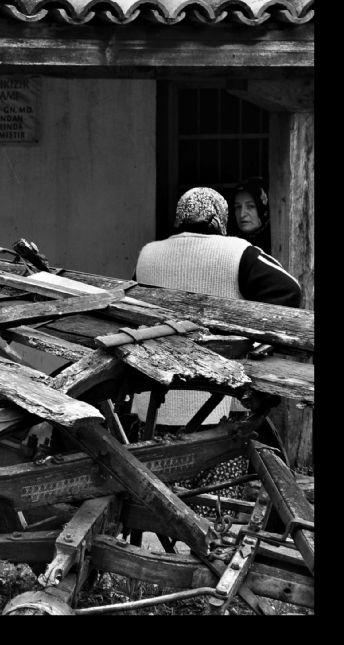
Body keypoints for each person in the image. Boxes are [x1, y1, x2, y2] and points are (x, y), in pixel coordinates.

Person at [130, 186, 301, 516]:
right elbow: (288, 291)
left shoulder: (148, 254)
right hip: (213, 403)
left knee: (159, 499)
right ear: (220, 218)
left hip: (153, 401)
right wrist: (253, 338)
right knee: (212, 507)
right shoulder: (237, 252)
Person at [230, 177, 272, 254]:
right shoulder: (229, 245)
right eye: (238, 207)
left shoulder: (278, 241)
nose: (242, 214)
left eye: (250, 206)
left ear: (263, 209)